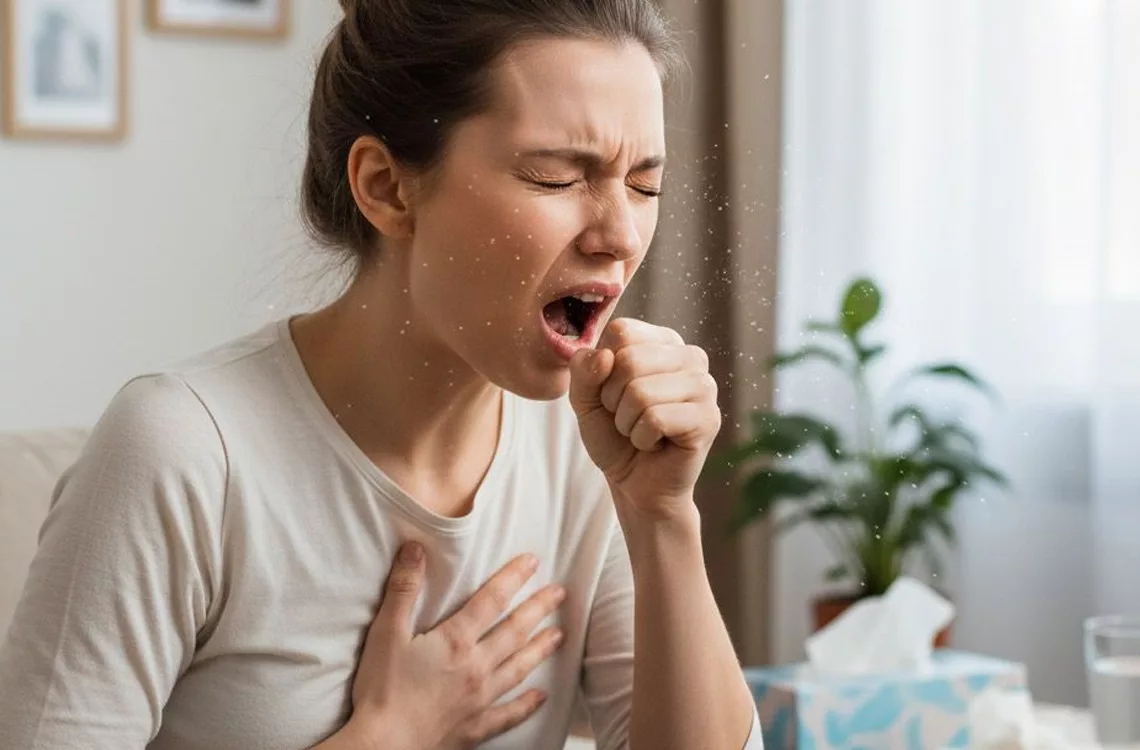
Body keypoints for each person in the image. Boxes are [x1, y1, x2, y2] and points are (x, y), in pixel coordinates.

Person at [0, 0, 764, 748]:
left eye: (644, 185)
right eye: (557, 177)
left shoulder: (588, 452)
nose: (622, 236)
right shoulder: (184, 452)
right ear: (386, 187)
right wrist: (391, 735)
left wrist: (662, 515)